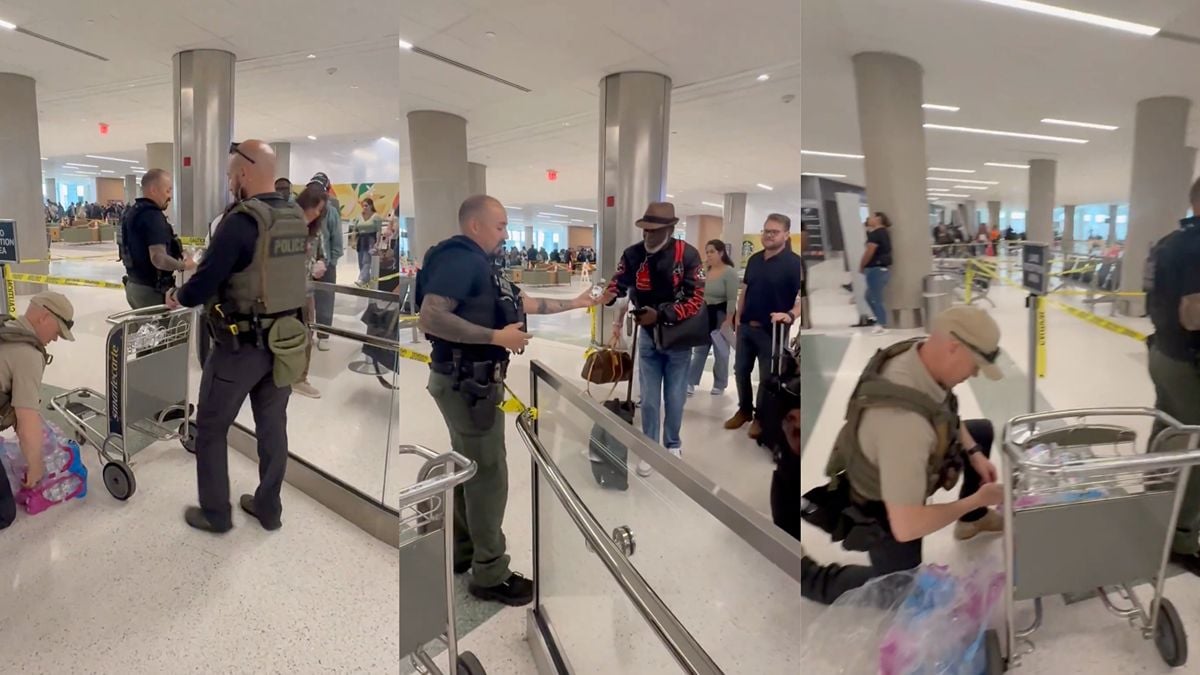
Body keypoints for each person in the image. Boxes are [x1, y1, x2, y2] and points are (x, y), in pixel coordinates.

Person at [416, 194, 611, 606]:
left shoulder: (482, 265)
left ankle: (463, 549)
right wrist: (495, 337)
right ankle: (490, 572)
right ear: (475, 226)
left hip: (469, 382)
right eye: (501, 226)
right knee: (489, 475)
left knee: (470, 465)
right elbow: (431, 316)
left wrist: (577, 303)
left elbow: (520, 302)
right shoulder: (460, 260)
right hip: (467, 383)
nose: (506, 234)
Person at [800, 305, 1007, 604]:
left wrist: (974, 453)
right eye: (975, 365)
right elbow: (907, 525)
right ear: (954, 347)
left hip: (900, 465)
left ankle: (971, 522)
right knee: (897, 591)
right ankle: (808, 575)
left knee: (981, 431)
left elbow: (942, 409)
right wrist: (975, 500)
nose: (975, 373)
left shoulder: (919, 353)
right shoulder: (904, 424)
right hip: (882, 507)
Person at [166, 140, 309, 534]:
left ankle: (215, 513)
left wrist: (178, 296)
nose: (230, 182)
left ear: (244, 174)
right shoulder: (294, 215)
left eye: (231, 175)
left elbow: (206, 279)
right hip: (285, 342)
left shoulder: (242, 220)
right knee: (272, 427)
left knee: (210, 428)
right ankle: (269, 508)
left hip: (240, 347)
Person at [606, 202, 705, 477]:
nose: (648, 235)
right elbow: (619, 280)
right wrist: (608, 295)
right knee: (649, 398)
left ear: (670, 229)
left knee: (674, 397)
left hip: (678, 337)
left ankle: (673, 443)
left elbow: (696, 298)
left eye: (655, 230)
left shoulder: (687, 254)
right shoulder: (633, 254)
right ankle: (650, 447)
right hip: (648, 336)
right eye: (646, 229)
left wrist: (661, 314)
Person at [1145, 178, 1200, 575]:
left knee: (1167, 430)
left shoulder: (1166, 243)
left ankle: (1153, 502)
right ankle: (1181, 536)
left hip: (1163, 352)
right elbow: (1194, 314)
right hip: (1190, 361)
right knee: (1195, 448)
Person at [724, 214, 804, 439]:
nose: (769, 235)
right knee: (740, 370)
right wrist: (738, 318)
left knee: (767, 378)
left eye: (774, 232)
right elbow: (746, 290)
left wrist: (790, 315)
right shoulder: (754, 260)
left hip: (773, 332)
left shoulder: (794, 263)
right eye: (766, 231)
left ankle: (761, 418)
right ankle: (744, 410)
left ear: (786, 234)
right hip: (747, 327)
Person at [0, 293, 75, 530]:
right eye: (57, 331)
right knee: (4, 513)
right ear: (44, 317)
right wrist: (35, 465)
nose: (55, 339)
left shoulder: (6, 326)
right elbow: (27, 419)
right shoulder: (28, 354)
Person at [120, 169, 195, 309]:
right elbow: (158, 258)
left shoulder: (132, 212)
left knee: (145, 329)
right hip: (151, 291)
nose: (170, 196)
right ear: (154, 190)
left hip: (133, 286)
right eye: (167, 191)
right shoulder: (152, 216)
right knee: (161, 329)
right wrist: (185, 265)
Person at [292, 185, 330, 400]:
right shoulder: (286, 226)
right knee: (284, 334)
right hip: (284, 292)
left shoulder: (316, 231)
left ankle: (300, 378)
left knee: (307, 334)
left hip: (306, 292)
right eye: (314, 208)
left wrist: (321, 264)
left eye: (320, 210)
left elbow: (323, 255)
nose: (316, 213)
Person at [687, 239, 739, 397]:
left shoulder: (729, 272)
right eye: (707, 251)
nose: (708, 255)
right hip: (704, 314)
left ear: (721, 253)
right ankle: (690, 381)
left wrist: (729, 320)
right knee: (700, 350)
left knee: (721, 351)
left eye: (712, 251)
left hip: (721, 314)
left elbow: (731, 298)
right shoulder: (704, 270)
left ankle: (720, 383)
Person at [308, 173, 343, 351]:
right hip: (304, 267)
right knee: (304, 302)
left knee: (325, 301)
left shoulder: (331, 212)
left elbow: (337, 243)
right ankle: (307, 333)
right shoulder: (299, 209)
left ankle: (323, 334)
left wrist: (329, 264)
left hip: (326, 265)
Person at [860, 211, 892, 335]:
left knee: (875, 298)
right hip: (882, 269)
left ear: (878, 219)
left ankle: (882, 324)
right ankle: (879, 319)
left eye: (872, 217)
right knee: (868, 296)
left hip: (875, 269)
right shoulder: (884, 233)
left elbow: (870, 251)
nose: (869, 219)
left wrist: (862, 265)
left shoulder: (876, 234)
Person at [352, 197, 384, 287]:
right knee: (360, 261)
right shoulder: (359, 216)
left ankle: (361, 279)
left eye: (366, 205)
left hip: (370, 239)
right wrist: (353, 241)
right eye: (363, 206)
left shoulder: (376, 217)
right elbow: (355, 230)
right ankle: (366, 279)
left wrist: (377, 243)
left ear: (371, 206)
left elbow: (378, 231)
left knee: (366, 260)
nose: (364, 207)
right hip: (361, 239)